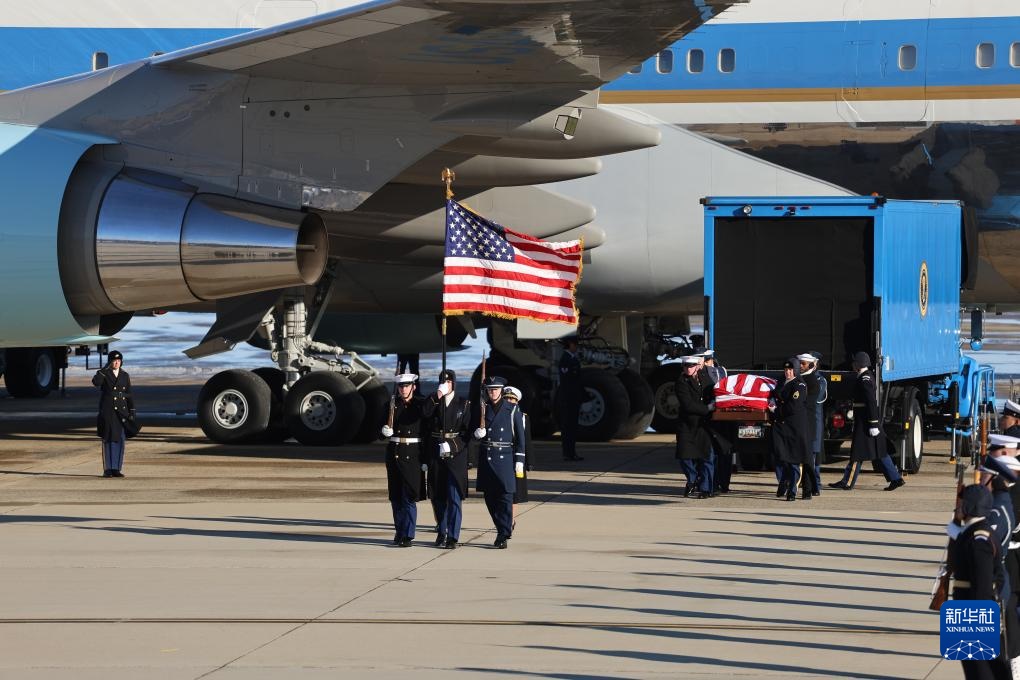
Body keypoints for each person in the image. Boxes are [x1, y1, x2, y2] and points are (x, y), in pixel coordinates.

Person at [947, 484, 1010, 680]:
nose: (958, 506)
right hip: (968, 606)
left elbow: (982, 583)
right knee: (978, 666)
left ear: (970, 506)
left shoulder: (978, 539)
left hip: (972, 608)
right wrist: (956, 521)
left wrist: (977, 624)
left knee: (979, 670)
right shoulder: (974, 531)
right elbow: (954, 544)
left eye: (963, 503)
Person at [828, 351, 905, 491]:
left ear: (858, 364)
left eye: (854, 362)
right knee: (880, 452)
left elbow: (870, 402)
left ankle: (847, 481)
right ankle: (896, 478)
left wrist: (873, 423)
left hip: (866, 422)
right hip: (866, 421)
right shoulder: (864, 377)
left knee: (858, 453)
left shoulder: (865, 379)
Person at [423, 369, 471, 550]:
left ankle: (453, 536)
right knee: (438, 497)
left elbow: (467, 433)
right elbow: (425, 415)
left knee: (454, 497)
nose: (446, 384)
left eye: (449, 382)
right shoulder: (434, 400)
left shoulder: (463, 404)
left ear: (454, 383)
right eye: (443, 381)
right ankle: (441, 531)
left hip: (455, 456)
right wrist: (438, 395)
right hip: (436, 453)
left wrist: (452, 445)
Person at [475, 376, 526, 548]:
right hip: (487, 456)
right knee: (490, 498)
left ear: (501, 390)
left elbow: (520, 437)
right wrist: (477, 433)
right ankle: (501, 527)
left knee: (505, 497)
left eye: (495, 389)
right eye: (490, 389)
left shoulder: (511, 409)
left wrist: (520, 459)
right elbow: (472, 428)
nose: (493, 392)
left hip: (505, 456)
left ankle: (503, 532)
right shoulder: (483, 408)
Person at [380, 373, 428, 547]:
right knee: (395, 497)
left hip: (413, 454)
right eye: (401, 387)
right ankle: (399, 531)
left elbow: (426, 431)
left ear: (413, 387)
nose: (403, 389)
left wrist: (425, 458)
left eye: (407, 386)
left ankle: (408, 534)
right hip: (394, 453)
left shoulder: (420, 405)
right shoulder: (391, 405)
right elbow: (379, 428)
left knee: (408, 497)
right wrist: (383, 430)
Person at [770, 358, 814, 501]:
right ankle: (784, 484)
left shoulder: (799, 385)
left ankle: (792, 491)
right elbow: (775, 395)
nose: (788, 372)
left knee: (794, 460)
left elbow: (793, 406)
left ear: (795, 370)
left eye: (790, 370)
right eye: (786, 370)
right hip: (782, 427)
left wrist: (775, 410)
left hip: (795, 428)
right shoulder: (781, 383)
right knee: (781, 458)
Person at [675, 354, 715, 499]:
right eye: (685, 366)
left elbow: (712, 392)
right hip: (687, 424)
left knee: (706, 457)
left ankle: (706, 488)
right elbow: (688, 405)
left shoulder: (704, 378)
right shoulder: (681, 381)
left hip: (703, 425)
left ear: (697, 366)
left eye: (691, 366)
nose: (688, 368)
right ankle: (692, 479)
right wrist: (708, 408)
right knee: (684, 456)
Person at [92, 350, 134, 478]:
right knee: (108, 439)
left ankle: (116, 468)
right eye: (114, 360)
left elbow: (129, 394)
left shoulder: (125, 375)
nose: (116, 363)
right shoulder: (105, 374)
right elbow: (96, 382)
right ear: (110, 362)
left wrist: (132, 411)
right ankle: (108, 469)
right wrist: (104, 370)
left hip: (121, 412)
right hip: (108, 411)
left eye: (118, 360)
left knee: (119, 439)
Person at [698, 349, 733, 493]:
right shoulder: (719, 373)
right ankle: (714, 485)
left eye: (705, 361)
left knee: (721, 455)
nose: (704, 365)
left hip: (719, 420)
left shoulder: (715, 373)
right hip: (715, 420)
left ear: (710, 361)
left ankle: (718, 484)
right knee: (715, 455)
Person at [797, 352, 826, 497]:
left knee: (811, 458)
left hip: (811, 421)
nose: (800, 366)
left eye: (803, 363)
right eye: (800, 363)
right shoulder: (799, 378)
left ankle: (813, 486)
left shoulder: (816, 380)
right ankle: (808, 486)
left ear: (812, 364)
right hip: (801, 422)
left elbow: (811, 400)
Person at [503, 386, 531, 524]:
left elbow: (526, 441)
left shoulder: (523, 417)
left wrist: (528, 462)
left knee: (515, 493)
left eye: (512, 399)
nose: (509, 401)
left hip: (517, 458)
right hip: (503, 457)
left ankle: (511, 519)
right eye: (506, 398)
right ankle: (505, 518)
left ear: (517, 401)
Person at [558, 337, 584, 461]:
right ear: (570, 345)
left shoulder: (572, 359)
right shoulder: (565, 359)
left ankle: (571, 452)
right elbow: (568, 380)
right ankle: (568, 453)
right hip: (568, 399)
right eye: (575, 345)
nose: (577, 347)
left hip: (573, 398)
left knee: (572, 427)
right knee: (568, 426)